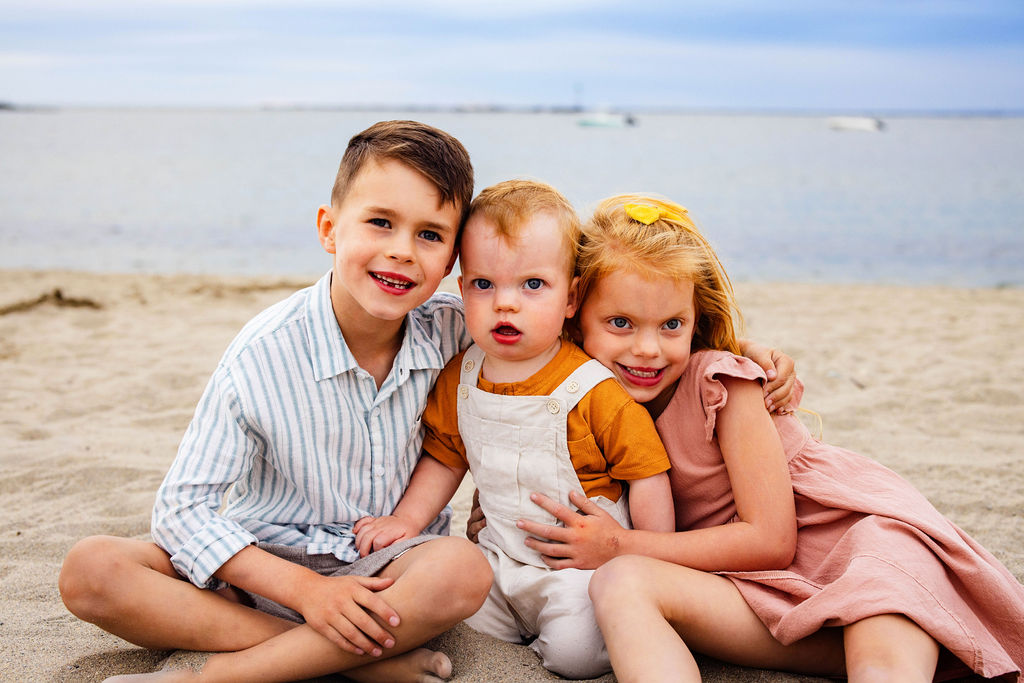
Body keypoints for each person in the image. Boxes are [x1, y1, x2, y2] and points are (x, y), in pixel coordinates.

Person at [516, 194, 1024, 682]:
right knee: (621, 581)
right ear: (574, 313)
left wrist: (621, 544)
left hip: (854, 550)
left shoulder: (720, 383)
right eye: (620, 322)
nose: (647, 349)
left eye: (672, 324)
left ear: (696, 323)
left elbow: (771, 540)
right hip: (755, 591)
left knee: (883, 656)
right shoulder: (576, 390)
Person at [57, 120, 494, 683]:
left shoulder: (457, 333)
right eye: (380, 222)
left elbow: (555, 352)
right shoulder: (262, 354)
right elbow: (180, 511)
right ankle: (353, 663)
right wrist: (308, 592)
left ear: (454, 259)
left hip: (390, 575)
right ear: (330, 228)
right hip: (260, 570)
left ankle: (217, 677)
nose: (402, 252)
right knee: (91, 569)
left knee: (463, 569)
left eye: (430, 235)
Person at [353, 180, 675, 678]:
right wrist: (407, 522)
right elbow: (445, 458)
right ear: (461, 291)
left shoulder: (593, 388)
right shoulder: (461, 375)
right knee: (456, 623)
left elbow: (648, 474)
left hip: (579, 569)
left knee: (576, 656)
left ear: (570, 299)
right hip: (499, 555)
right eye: (484, 285)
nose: (506, 304)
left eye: (532, 285)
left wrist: (652, 558)